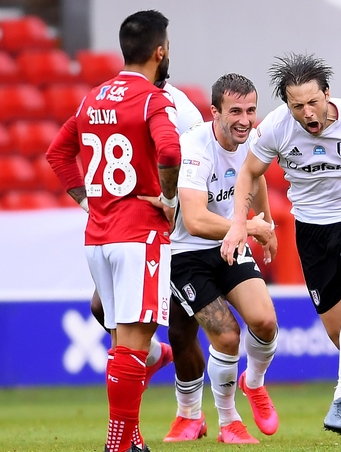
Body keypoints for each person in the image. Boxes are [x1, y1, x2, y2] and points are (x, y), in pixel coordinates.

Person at [221, 52, 341, 434]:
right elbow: (248, 173)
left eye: (314, 102)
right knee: (340, 334)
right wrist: (238, 222)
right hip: (311, 230)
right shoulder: (275, 129)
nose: (308, 113)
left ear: (328, 94)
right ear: (287, 105)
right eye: (298, 106)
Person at [46, 10, 181, 452]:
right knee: (133, 344)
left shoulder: (93, 98)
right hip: (139, 235)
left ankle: (131, 439)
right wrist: (169, 198)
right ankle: (118, 444)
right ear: (160, 51)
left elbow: (58, 153)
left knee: (126, 341)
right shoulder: (151, 99)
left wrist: (88, 200)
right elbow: (170, 150)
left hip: (98, 236)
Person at [164, 73, 280, 444]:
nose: (245, 119)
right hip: (187, 256)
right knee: (227, 337)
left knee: (265, 322)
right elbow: (195, 220)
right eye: (235, 111)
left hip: (232, 243)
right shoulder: (195, 148)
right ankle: (229, 422)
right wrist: (249, 227)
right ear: (214, 112)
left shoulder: (252, 140)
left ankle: (254, 383)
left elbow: (256, 175)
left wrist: (267, 222)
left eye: (250, 110)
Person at [88, 80, 205, 389]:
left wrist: (171, 201)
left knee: (180, 330)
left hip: (178, 232)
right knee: (101, 308)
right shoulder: (117, 100)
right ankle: (153, 356)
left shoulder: (183, 111)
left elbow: (195, 166)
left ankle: (194, 415)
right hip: (134, 227)